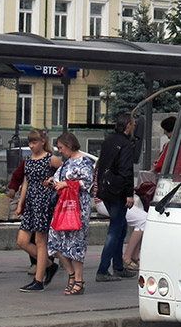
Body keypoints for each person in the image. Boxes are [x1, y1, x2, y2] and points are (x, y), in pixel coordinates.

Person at [46, 132, 95, 296]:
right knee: (54, 241)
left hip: (78, 206)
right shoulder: (66, 163)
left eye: (61, 147)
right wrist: (52, 182)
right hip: (63, 206)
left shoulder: (84, 161)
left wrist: (66, 183)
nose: (60, 151)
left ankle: (78, 280)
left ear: (69, 145)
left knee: (75, 242)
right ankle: (71, 274)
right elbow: (59, 177)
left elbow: (87, 182)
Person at [15, 129, 63, 292]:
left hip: (43, 202)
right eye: (29, 142)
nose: (31, 146)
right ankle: (48, 265)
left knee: (40, 241)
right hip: (31, 203)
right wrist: (21, 204)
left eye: (34, 142)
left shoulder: (51, 159)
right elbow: (25, 183)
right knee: (22, 241)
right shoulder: (28, 160)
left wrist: (53, 182)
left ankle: (38, 279)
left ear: (42, 142)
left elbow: (64, 173)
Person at [95, 113, 136, 282]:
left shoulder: (109, 140)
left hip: (106, 189)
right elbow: (126, 170)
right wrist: (129, 193)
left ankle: (118, 266)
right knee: (115, 230)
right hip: (118, 190)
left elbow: (102, 164)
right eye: (132, 124)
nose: (133, 127)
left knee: (121, 227)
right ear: (127, 126)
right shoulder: (126, 144)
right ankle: (103, 269)